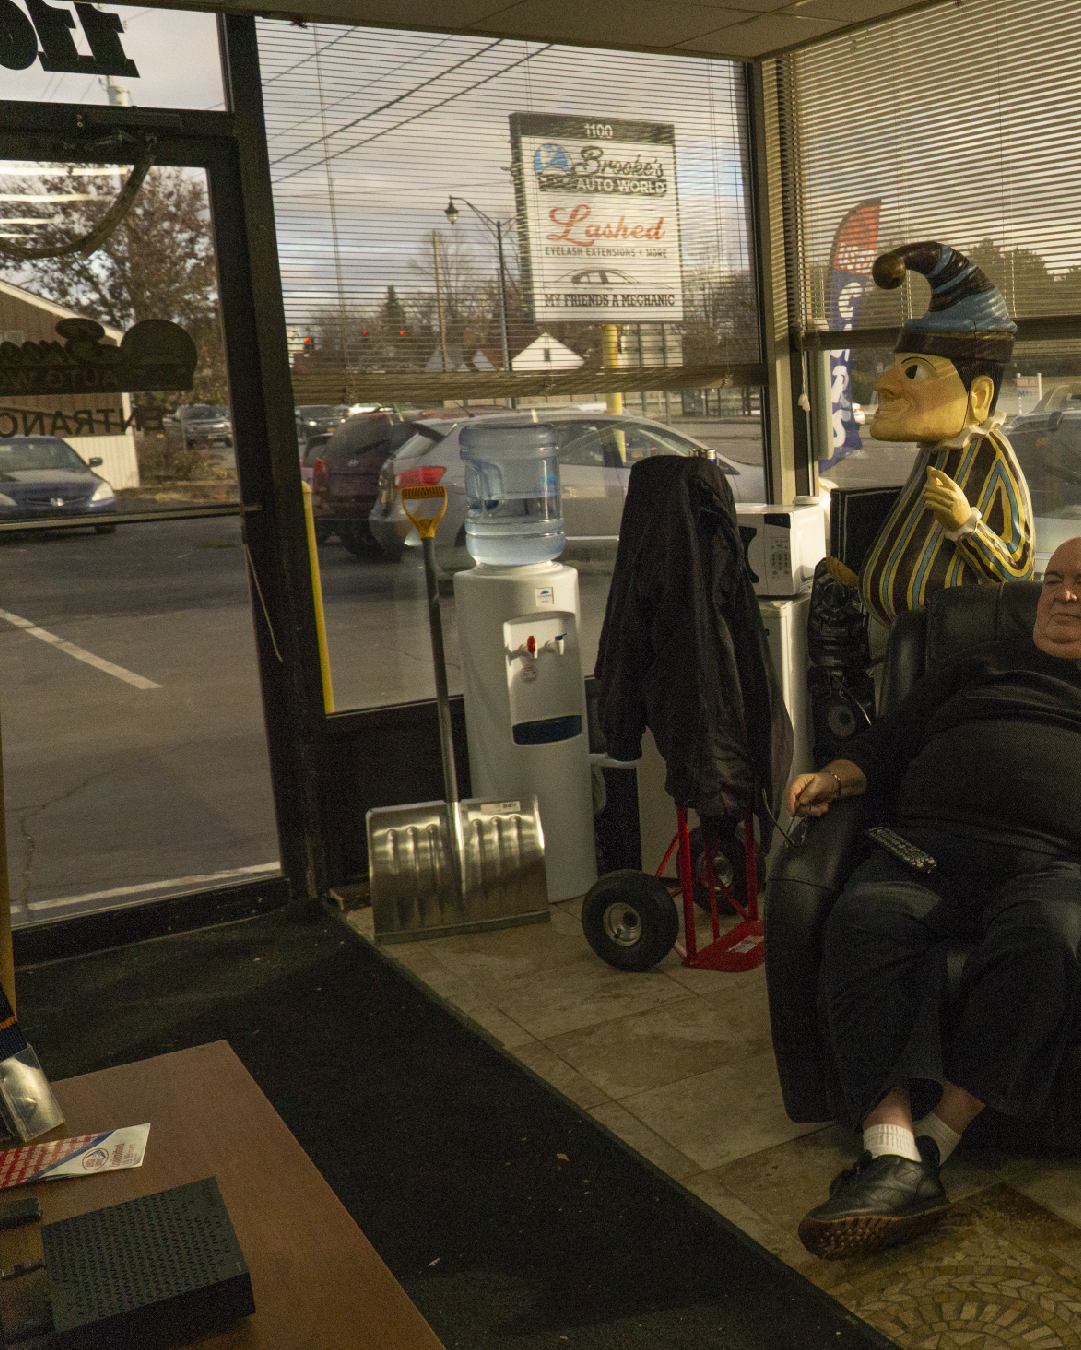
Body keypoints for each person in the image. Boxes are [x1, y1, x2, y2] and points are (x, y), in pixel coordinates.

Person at [785, 536, 1081, 1260]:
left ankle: (931, 1141)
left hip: (1053, 864)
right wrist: (836, 777)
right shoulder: (972, 665)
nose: (1062, 595)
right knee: (863, 920)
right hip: (924, 851)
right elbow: (887, 744)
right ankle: (891, 1147)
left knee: (1048, 938)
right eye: (1052, 580)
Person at [832, 241, 1035, 624]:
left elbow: (1019, 571)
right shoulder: (935, 452)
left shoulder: (992, 458)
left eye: (913, 372)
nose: (882, 384)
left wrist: (966, 524)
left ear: (978, 396)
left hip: (949, 656)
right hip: (899, 645)